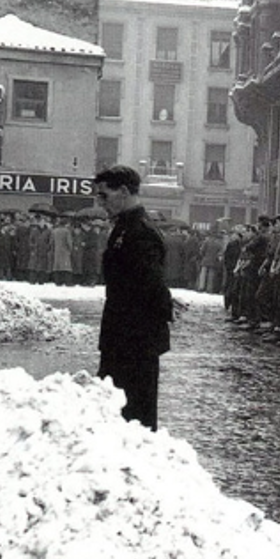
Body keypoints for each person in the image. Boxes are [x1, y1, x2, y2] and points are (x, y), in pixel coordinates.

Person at [94, 165, 174, 431]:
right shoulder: (125, 228)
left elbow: (150, 284)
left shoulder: (139, 231)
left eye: (104, 196)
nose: (100, 203)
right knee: (115, 406)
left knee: (135, 413)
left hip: (135, 340)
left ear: (125, 192)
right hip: (122, 335)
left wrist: (166, 305)